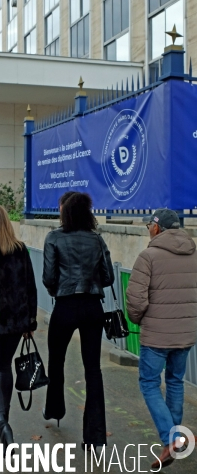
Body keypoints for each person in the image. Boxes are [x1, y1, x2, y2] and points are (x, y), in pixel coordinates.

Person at [126, 209, 197, 470]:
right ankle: (175, 439)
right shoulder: (194, 253)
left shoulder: (148, 256)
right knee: (175, 382)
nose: (148, 229)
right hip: (186, 333)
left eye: (150, 225)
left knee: (149, 383)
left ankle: (172, 438)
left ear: (158, 228)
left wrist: (138, 319)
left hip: (156, 335)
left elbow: (135, 299)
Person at [42, 191, 114, 449]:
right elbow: (108, 278)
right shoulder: (96, 239)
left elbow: (49, 278)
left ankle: (54, 409)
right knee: (93, 370)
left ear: (65, 212)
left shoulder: (54, 238)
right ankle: (94, 435)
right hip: (92, 305)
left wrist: (59, 290)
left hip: (65, 305)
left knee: (56, 360)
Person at [0, 205, 38, 451]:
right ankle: (5, 421)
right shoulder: (20, 250)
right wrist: (30, 322)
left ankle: (0, 419)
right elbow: (30, 287)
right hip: (15, 322)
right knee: (4, 367)